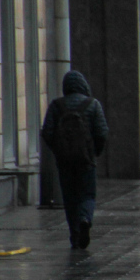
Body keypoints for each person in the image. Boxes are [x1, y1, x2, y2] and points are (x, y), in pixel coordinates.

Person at [41, 70, 108, 249]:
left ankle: (75, 235)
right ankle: (85, 219)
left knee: (70, 198)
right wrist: (94, 152)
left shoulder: (56, 105)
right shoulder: (93, 105)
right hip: (86, 160)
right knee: (87, 195)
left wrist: (59, 150)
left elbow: (46, 132)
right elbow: (102, 133)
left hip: (64, 162)